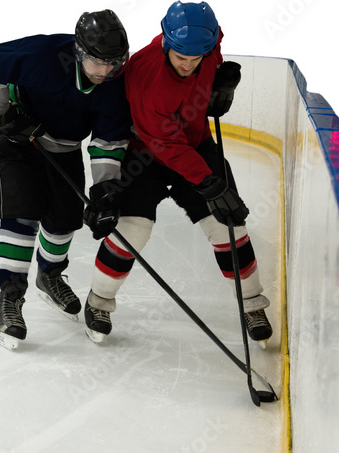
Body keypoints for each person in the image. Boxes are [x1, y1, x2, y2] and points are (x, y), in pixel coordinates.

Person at [82, 1, 274, 346]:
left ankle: (252, 303)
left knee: (227, 224)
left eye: (195, 59)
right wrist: (210, 184)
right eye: (180, 57)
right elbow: (165, 144)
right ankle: (98, 302)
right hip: (145, 156)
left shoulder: (205, 46)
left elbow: (213, 47)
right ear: (167, 42)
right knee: (132, 230)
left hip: (197, 146)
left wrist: (219, 89)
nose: (188, 65)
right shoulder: (145, 75)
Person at [0, 10, 132, 350]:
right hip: (17, 140)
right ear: (78, 51)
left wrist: (105, 189)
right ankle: (9, 299)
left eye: (113, 63)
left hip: (65, 147)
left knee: (63, 222)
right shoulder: (43, 56)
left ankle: (49, 276)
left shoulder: (115, 86)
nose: (105, 71)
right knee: (23, 215)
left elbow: (108, 140)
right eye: (97, 62)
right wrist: (2, 116)